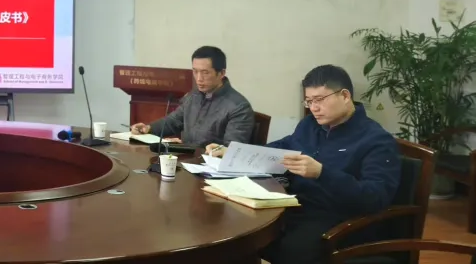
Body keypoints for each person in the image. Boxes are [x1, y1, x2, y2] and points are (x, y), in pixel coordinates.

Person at [206, 65, 400, 264]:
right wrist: (235, 152)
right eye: (309, 101)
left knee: (286, 248)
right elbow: (283, 147)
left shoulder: (376, 140)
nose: (313, 108)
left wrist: (321, 173)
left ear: (344, 95)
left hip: (337, 218)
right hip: (293, 204)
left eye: (319, 100)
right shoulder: (310, 125)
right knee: (236, 232)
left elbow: (375, 198)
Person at [129, 46, 254, 148]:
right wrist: (148, 128)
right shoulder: (193, 96)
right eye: (195, 71)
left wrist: (187, 147)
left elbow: (232, 150)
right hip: (186, 159)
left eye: (205, 72)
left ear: (221, 73)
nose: (199, 78)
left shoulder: (238, 107)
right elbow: (173, 121)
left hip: (208, 166)